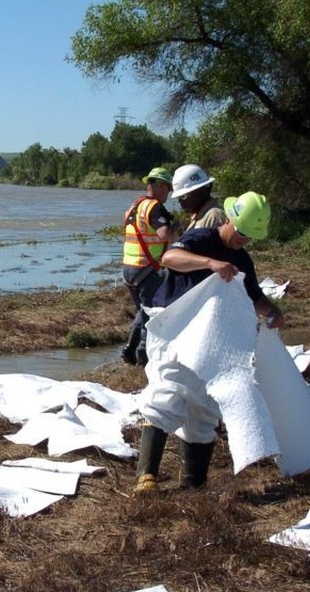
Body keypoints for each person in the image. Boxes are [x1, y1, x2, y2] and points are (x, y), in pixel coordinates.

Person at [134, 191, 284, 494]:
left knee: (203, 407)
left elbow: (252, 295)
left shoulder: (243, 259)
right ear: (229, 219)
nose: (244, 239)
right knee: (168, 393)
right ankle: (146, 476)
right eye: (241, 232)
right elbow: (170, 258)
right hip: (177, 330)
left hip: (211, 341)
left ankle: (194, 484)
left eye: (251, 236)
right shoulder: (201, 238)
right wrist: (210, 263)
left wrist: (271, 311)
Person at [120, 167, 176, 366]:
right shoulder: (155, 207)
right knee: (152, 315)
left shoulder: (134, 207)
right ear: (160, 186)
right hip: (147, 268)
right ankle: (144, 357)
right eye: (168, 188)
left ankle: (128, 350)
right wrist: (179, 230)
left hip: (129, 269)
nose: (169, 193)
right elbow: (164, 235)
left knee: (143, 311)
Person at [170, 164, 227, 231]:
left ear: (201, 191)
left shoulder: (214, 216)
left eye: (183, 196)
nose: (179, 201)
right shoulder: (199, 216)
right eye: (178, 197)